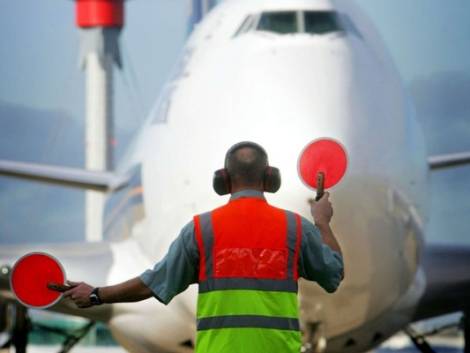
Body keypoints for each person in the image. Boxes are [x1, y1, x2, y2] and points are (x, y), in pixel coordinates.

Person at [52, 141, 344, 353]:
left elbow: (152, 284)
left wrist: (95, 294)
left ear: (223, 180)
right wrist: (322, 221)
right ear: (270, 179)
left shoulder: (202, 230)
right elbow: (334, 275)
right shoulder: (295, 228)